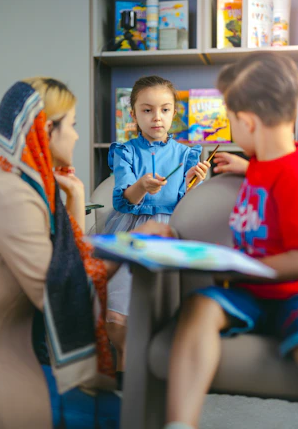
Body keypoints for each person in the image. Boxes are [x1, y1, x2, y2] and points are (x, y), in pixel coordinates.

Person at [0, 77, 173, 429]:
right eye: (72, 125)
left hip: (34, 351)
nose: (76, 135)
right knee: (132, 418)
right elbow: (58, 283)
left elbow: (69, 255)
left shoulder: (30, 183)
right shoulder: (11, 195)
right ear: (46, 130)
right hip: (16, 362)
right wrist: (134, 246)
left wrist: (76, 195)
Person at [163, 52, 298, 429]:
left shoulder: (295, 175)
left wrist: (243, 266)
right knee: (198, 309)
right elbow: (274, 159)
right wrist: (246, 165)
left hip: (296, 293)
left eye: (230, 121)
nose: (230, 129)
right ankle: (180, 424)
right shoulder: (263, 163)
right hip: (250, 292)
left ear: (247, 122)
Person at [105, 75, 211, 381]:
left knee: (168, 296)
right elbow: (124, 201)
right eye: (147, 110)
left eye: (164, 110)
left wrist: (194, 184)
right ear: (134, 114)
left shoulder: (186, 154)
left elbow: (184, 205)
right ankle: (124, 366)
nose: (156, 118)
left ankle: (165, 366)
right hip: (132, 228)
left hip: (170, 230)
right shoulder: (125, 152)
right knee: (122, 294)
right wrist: (140, 186)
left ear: (174, 112)